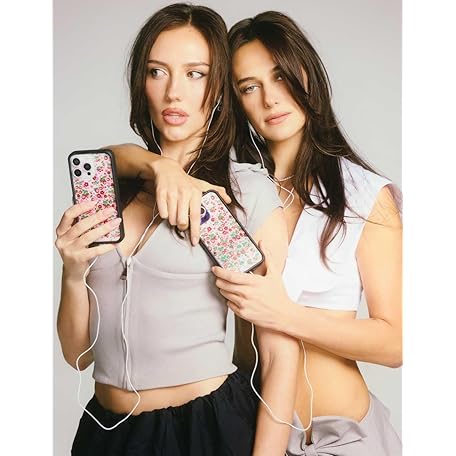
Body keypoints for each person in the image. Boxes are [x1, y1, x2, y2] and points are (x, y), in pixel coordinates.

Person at [105, 10, 403, 456]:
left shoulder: (362, 194)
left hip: (342, 436)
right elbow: (109, 159)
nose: (270, 99)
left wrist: (285, 315)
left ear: (308, 74)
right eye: (248, 87)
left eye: (281, 76)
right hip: (245, 429)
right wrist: (159, 166)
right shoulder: (228, 188)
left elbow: (396, 343)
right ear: (229, 98)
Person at [55, 4, 300, 456]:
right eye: (157, 71)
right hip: (107, 432)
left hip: (204, 428)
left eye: (195, 74)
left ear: (218, 85)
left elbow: (279, 353)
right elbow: (78, 356)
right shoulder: (111, 187)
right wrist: (72, 273)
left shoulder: (244, 191)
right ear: (141, 81)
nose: (173, 93)